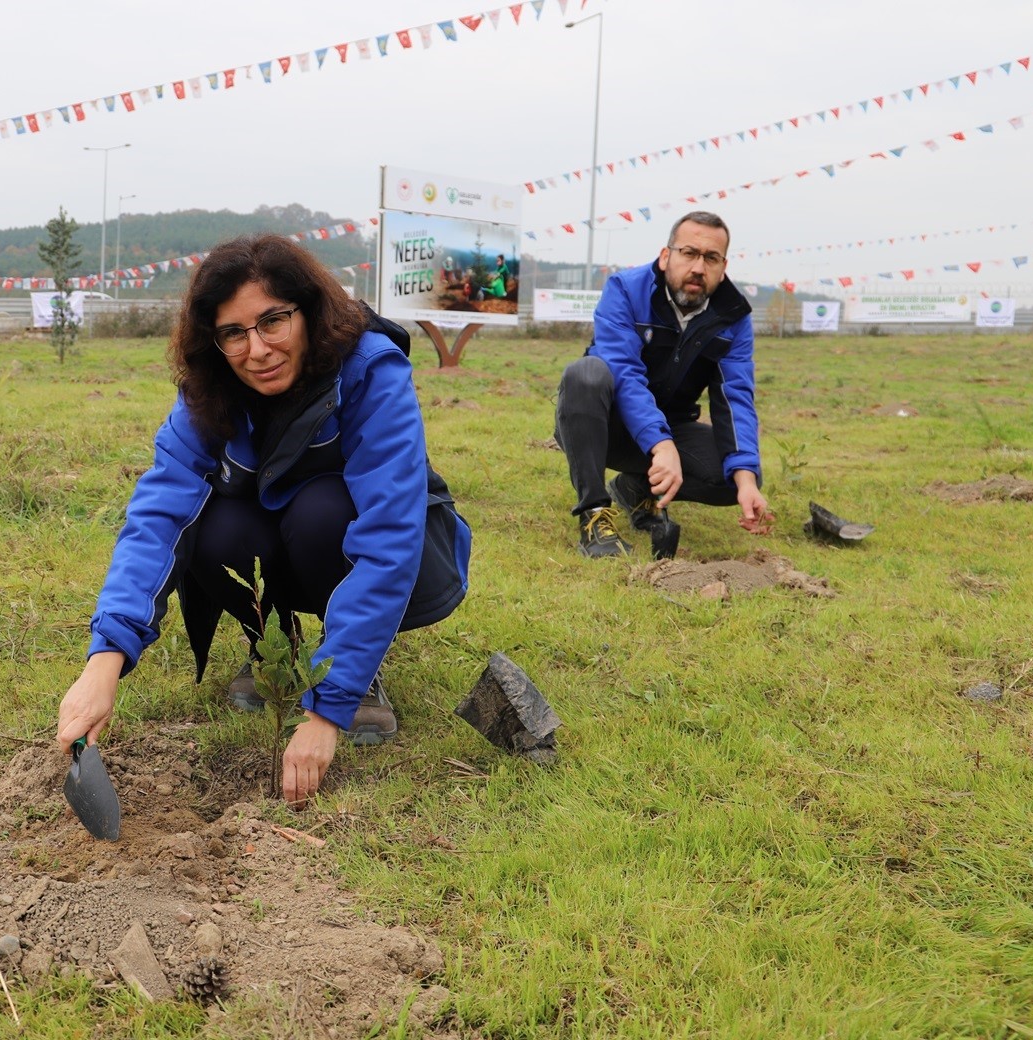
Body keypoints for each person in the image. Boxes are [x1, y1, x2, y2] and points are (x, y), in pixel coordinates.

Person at [56, 234, 471, 807]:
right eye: (233, 333)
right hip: (273, 546)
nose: (257, 350)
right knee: (214, 526)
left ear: (309, 312)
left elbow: (390, 534)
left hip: (343, 541)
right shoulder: (209, 391)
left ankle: (351, 664)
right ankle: (274, 645)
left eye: (273, 321)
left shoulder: (371, 369)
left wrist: (329, 709)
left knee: (323, 509)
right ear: (214, 339)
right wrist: (105, 660)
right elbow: (157, 515)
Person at [553, 211, 771, 559]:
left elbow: (735, 397)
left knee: (735, 476)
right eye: (689, 253)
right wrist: (661, 443)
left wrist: (746, 477)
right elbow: (623, 372)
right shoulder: (625, 289)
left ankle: (636, 487)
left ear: (723, 266)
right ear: (666, 255)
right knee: (586, 373)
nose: (699, 267)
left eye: (711, 258)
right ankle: (594, 513)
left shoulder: (733, 316)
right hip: (605, 427)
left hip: (673, 424)